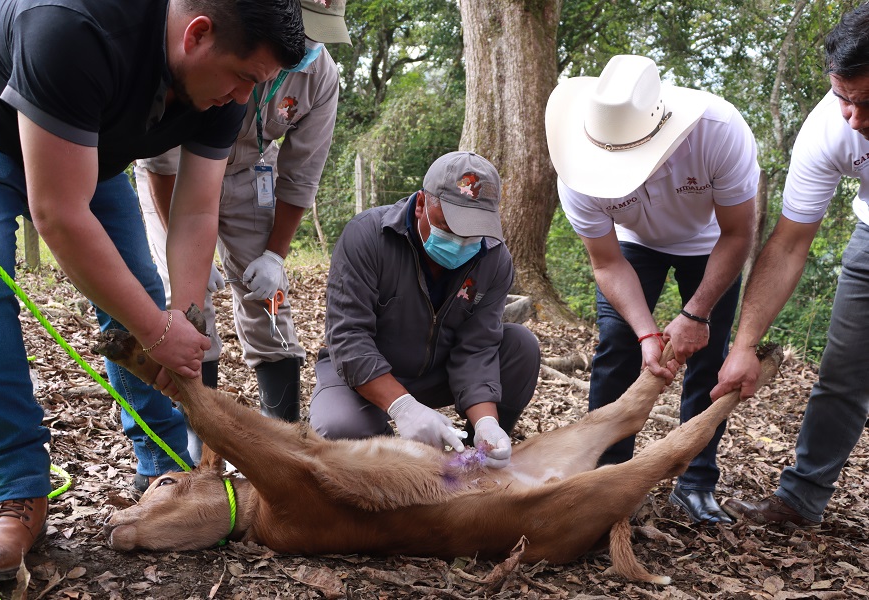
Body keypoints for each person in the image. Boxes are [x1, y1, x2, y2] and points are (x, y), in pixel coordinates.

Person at [0, 0, 304, 581]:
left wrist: (181, 321)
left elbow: (198, 211)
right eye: (244, 80)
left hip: (84, 146)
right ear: (197, 35)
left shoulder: (225, 80)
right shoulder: (74, 27)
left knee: (140, 293)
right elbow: (58, 213)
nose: (243, 97)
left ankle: (166, 471)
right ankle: (19, 491)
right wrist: (153, 331)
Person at [544, 54, 760, 524]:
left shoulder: (719, 132)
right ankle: (606, 478)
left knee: (710, 360)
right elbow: (606, 261)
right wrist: (647, 333)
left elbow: (739, 233)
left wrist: (696, 313)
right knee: (618, 349)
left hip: (710, 243)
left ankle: (696, 481)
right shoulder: (575, 166)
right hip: (631, 244)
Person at [135, 0, 349, 465]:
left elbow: (301, 173)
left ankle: (281, 433)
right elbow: (161, 162)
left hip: (250, 174)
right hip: (177, 174)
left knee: (269, 300)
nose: (308, 45)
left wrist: (275, 255)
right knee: (189, 303)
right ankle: (199, 434)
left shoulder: (320, 75)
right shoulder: (227, 43)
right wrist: (190, 251)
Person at [712, 3, 869, 528]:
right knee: (842, 374)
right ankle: (799, 502)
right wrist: (743, 346)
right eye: (845, 99)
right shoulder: (831, 127)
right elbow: (789, 244)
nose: (856, 119)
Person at [309, 151, 540, 468]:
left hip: (438, 372)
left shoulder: (495, 259)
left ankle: (479, 453)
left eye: (472, 231)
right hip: (362, 377)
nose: (461, 241)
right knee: (341, 428)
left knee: (521, 347)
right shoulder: (366, 237)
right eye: (449, 225)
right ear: (421, 205)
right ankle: (392, 465)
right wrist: (403, 406)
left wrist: (487, 421)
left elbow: (478, 345)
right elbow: (348, 338)